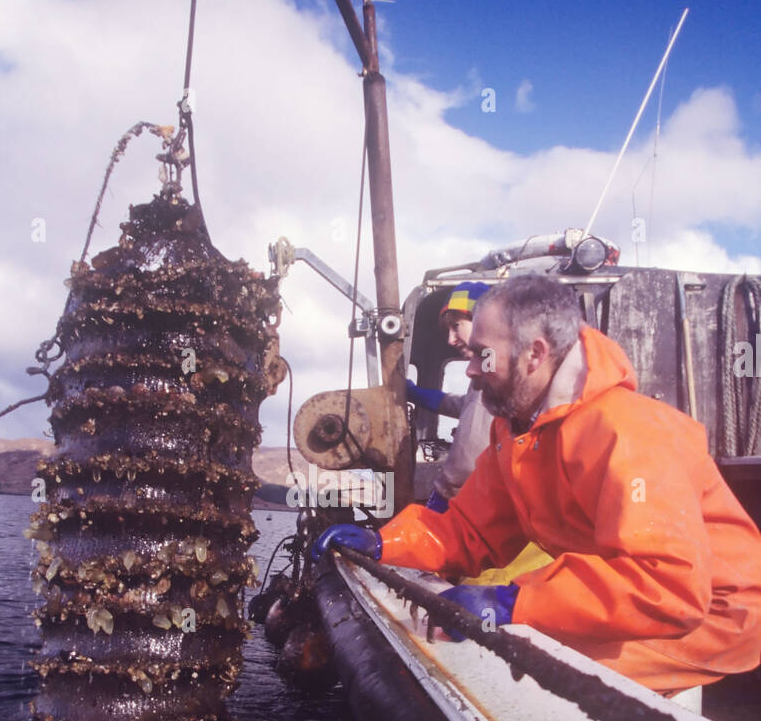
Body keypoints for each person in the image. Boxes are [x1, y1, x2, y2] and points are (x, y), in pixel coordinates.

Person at [313, 274, 761, 695]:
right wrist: (381, 543)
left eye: (481, 354)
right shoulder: (517, 433)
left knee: (514, 673)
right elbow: (468, 531)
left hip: (714, 617)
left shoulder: (629, 432)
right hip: (635, 601)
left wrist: (516, 603)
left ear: (535, 353)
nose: (470, 371)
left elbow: (670, 588)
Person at [406, 281, 494, 512]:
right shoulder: (485, 371)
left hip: (479, 501)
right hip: (467, 498)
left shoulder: (504, 372)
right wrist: (417, 394)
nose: (450, 340)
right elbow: (469, 407)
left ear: (484, 319)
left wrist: (443, 499)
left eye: (456, 326)